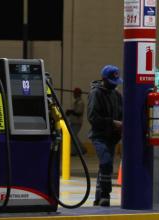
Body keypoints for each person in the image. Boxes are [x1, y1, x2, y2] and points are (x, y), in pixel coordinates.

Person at [87, 65, 123, 207]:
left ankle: (99, 197)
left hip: (112, 137)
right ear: (104, 79)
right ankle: (105, 195)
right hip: (99, 136)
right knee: (106, 162)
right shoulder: (95, 94)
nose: (114, 85)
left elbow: (122, 113)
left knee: (104, 166)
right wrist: (112, 123)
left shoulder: (117, 95)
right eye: (112, 82)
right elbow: (92, 117)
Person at [66, 87, 87, 155]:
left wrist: (70, 111)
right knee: (73, 136)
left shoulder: (80, 103)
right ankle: (82, 150)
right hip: (73, 122)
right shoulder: (76, 102)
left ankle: (79, 151)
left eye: (75, 93)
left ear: (78, 94)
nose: (74, 95)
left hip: (77, 123)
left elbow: (79, 113)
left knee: (73, 137)